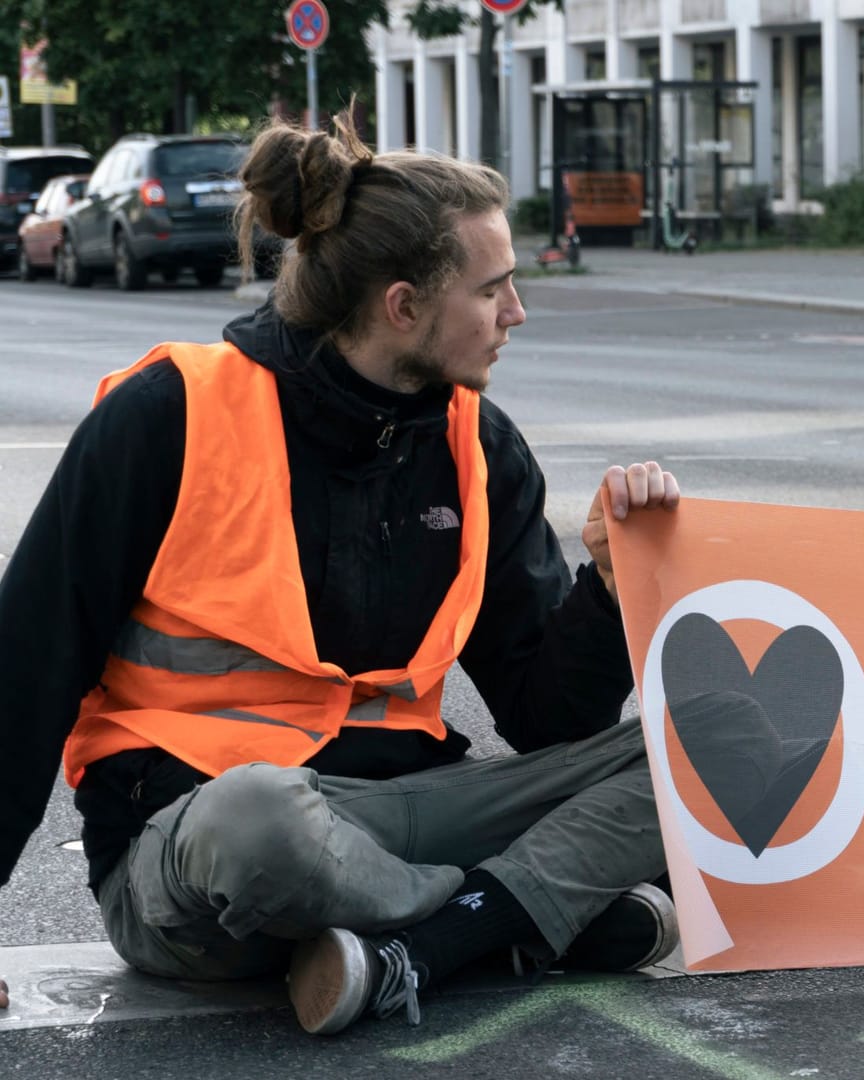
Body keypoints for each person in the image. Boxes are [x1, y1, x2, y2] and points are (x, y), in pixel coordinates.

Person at [0, 110, 685, 1034]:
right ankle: (510, 916)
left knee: (712, 741)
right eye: (494, 291)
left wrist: (607, 588)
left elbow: (547, 720)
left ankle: (425, 945)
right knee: (262, 815)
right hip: (205, 844)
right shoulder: (170, 414)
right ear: (402, 306)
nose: (516, 314)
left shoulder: (480, 446)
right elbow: (26, 665)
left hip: (403, 810)